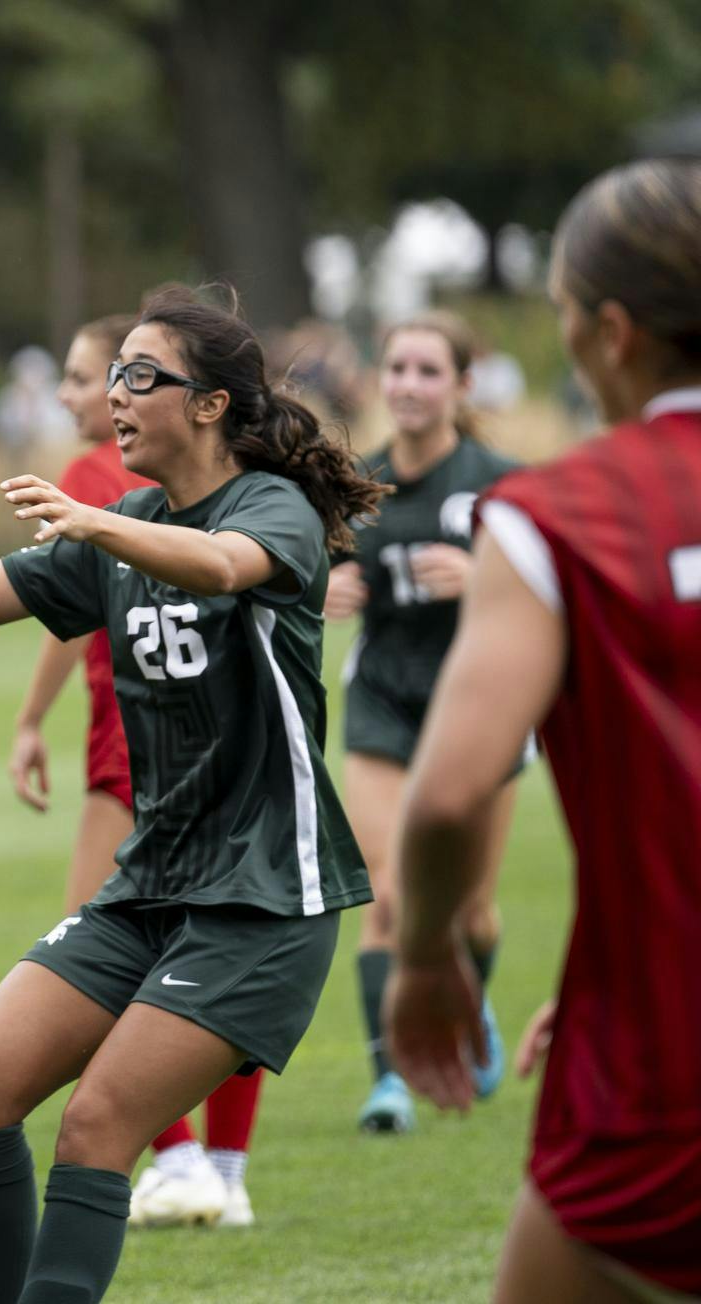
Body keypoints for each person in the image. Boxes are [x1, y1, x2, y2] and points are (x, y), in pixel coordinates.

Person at [0, 283, 383, 1304]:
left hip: (262, 896)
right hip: (149, 886)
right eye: (112, 374)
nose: (115, 395)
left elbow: (222, 566)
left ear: (211, 403)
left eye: (141, 376)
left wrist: (96, 525)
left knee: (95, 1124)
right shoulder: (119, 525)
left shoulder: (270, 507)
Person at [387, 157, 701, 1304]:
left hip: (657, 1074)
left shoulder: (550, 515)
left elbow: (449, 791)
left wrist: (422, 958)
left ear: (611, 333)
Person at [6, 312, 267, 1229]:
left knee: (106, 955)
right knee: (212, 955)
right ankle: (221, 1169)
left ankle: (183, 1157)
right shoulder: (182, 482)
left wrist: (33, 718)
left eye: (103, 375)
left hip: (141, 745)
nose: (89, 394)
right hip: (176, 746)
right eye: (88, 378)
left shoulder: (101, 484)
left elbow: (70, 609)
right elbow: (56, 602)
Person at [326, 310, 522, 1134]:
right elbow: (303, 569)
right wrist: (319, 588)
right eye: (396, 368)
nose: (408, 384)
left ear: (463, 385)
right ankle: (392, 1079)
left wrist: (485, 577)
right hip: (384, 696)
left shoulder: (503, 483)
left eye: (428, 370)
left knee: (470, 908)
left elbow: (553, 597)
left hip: (483, 702)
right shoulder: (353, 485)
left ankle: (468, 1011)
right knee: (389, 890)